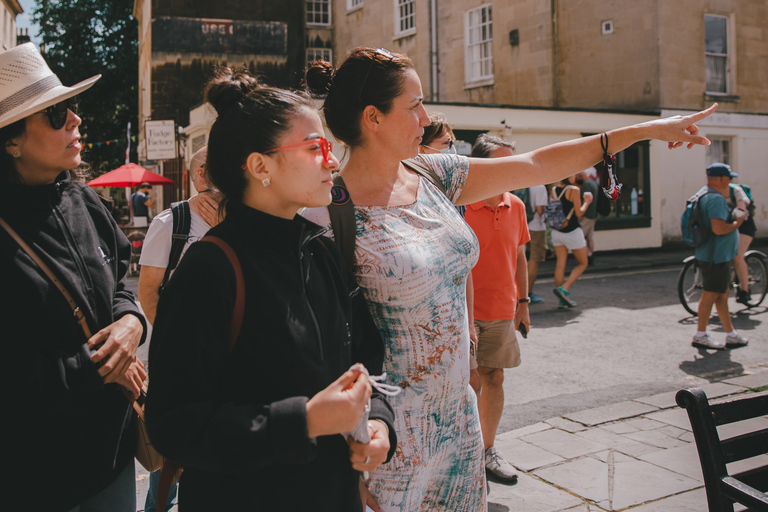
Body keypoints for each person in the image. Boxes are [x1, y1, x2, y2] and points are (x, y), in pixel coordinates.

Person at [303, 46, 716, 511]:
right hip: (389, 436)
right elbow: (315, 352)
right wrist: (347, 468)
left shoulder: (432, 173)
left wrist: (645, 130)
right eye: (414, 105)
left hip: (459, 421)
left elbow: (538, 165)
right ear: (373, 118)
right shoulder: (325, 210)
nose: (426, 117)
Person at [145, 68, 396, 511]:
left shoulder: (320, 251)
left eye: (329, 146)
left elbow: (365, 356)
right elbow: (173, 426)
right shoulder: (209, 269)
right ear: (260, 166)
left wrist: (378, 425)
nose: (333, 160)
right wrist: (301, 421)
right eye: (315, 147)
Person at [0, 42, 147, 511]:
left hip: (112, 456)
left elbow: (122, 277)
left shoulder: (84, 201)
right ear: (12, 141)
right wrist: (100, 365)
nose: (76, 121)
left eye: (71, 108)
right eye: (57, 113)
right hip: (33, 474)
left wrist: (131, 323)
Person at [138, 145, 220, 511]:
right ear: (198, 173)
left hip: (225, 357)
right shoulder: (171, 223)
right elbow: (147, 292)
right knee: (171, 453)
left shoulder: (241, 217)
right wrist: (177, 343)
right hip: (179, 360)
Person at [465, 134, 530, 484]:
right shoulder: (461, 205)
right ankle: (464, 452)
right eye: (501, 161)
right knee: (467, 383)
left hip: (502, 309)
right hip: (465, 312)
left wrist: (523, 304)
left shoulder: (515, 205)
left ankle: (487, 450)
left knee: (494, 377)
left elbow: (520, 257)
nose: (509, 168)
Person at [138, 146, 221, 325]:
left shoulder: (246, 220)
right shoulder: (168, 223)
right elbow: (148, 292)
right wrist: (170, 339)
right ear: (202, 174)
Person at [691, 163, 748, 350]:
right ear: (723, 179)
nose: (730, 182)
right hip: (716, 257)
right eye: (729, 178)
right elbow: (719, 228)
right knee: (710, 294)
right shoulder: (715, 199)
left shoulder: (703, 193)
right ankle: (700, 335)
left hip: (714, 255)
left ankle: (731, 334)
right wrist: (737, 222)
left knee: (722, 295)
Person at [550, 174, 593, 308]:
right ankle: (565, 288)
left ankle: (562, 300)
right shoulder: (574, 190)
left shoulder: (553, 190)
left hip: (557, 231)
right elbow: (579, 213)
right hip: (572, 231)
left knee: (560, 265)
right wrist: (587, 201)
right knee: (583, 263)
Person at [726, 178, 756, 305]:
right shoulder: (713, 192)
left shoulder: (736, 191)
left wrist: (739, 214)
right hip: (728, 226)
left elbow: (742, 207)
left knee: (738, 256)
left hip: (745, 227)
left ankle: (745, 291)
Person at [526, 183, 548, 303]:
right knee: (535, 259)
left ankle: (521, 290)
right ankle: (528, 293)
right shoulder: (540, 187)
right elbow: (540, 210)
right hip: (536, 227)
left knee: (526, 258)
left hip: (524, 225)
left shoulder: (524, 184)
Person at [578, 168, 599, 265]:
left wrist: (581, 214)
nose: (579, 177)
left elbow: (585, 201)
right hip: (593, 214)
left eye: (580, 175)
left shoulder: (586, 185)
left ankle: (589, 255)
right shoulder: (594, 183)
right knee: (590, 237)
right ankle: (591, 254)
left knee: (579, 236)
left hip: (586, 215)